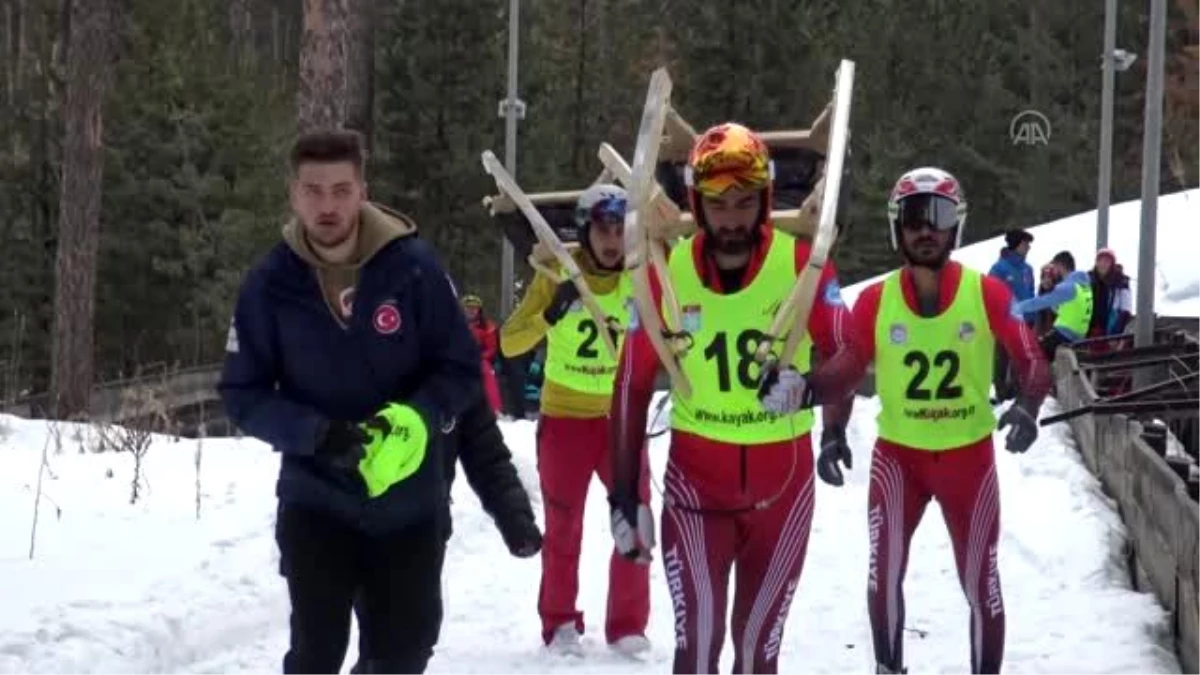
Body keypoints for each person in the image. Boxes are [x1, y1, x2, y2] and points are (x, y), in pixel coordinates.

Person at [217, 129, 481, 675]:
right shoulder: (269, 285)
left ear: (362, 190)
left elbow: (460, 368)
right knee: (316, 655)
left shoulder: (414, 268)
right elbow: (242, 393)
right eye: (313, 191)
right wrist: (314, 434)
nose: (327, 205)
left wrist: (418, 417)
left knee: (403, 653)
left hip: (410, 502)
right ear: (293, 194)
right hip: (316, 498)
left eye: (341, 189)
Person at [607, 122, 855, 674]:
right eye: (718, 205)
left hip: (782, 493)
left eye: (745, 203)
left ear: (765, 201)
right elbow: (630, 384)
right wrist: (624, 493)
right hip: (697, 490)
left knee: (757, 650)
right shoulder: (665, 272)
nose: (733, 220)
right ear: (697, 204)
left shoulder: (801, 263)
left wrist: (810, 389)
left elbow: (850, 352)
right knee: (696, 648)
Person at [786, 167, 1051, 675]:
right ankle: (889, 668)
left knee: (979, 579)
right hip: (899, 459)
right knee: (883, 572)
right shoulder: (875, 301)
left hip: (967, 459)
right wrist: (831, 430)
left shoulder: (986, 292)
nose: (925, 230)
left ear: (957, 226)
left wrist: (1028, 405)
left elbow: (1031, 357)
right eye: (913, 218)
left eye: (939, 217)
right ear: (896, 227)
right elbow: (846, 365)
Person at [498, 183, 651, 656]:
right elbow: (509, 344)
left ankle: (627, 624)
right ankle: (560, 619)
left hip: (620, 421)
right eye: (603, 230)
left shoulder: (640, 279)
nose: (612, 241)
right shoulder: (556, 275)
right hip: (565, 418)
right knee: (565, 524)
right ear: (585, 233)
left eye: (620, 231)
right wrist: (551, 308)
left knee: (635, 521)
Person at [349, 391, 543, 674]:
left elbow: (487, 456)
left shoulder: (454, 376)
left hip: (426, 528)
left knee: (417, 637)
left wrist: (514, 516)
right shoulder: (368, 364)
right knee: (380, 637)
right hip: (359, 524)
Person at [1013, 250, 1094, 361]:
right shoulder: (1084, 285)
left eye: (1054, 267)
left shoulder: (1067, 287)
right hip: (1079, 334)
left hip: (1064, 334)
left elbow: (1038, 303)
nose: (1053, 271)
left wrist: (1014, 308)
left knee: (1033, 353)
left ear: (1060, 266)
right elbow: (1062, 309)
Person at [987, 229, 1035, 401]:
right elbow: (990, 296)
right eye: (1025, 244)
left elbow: (1030, 293)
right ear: (1016, 245)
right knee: (1002, 359)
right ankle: (1001, 394)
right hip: (1005, 324)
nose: (1028, 247)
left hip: (1025, 324)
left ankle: (1015, 394)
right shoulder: (998, 268)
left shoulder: (1028, 269)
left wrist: (1032, 318)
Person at [462, 294, 504, 414]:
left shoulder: (488, 327)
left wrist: (479, 357)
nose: (471, 311)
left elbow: (491, 348)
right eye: (468, 308)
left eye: (474, 308)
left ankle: (494, 408)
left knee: (487, 373)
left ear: (479, 310)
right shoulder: (455, 324)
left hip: (480, 359)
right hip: (459, 358)